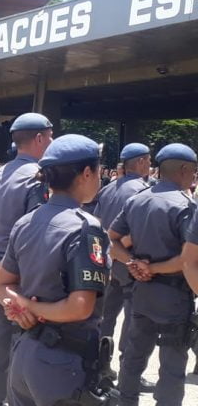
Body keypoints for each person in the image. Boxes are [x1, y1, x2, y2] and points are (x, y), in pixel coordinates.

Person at [0, 134, 112, 405]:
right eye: (98, 170)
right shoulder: (86, 227)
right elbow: (80, 306)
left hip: (25, 353)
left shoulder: (26, 222)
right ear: (86, 173)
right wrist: (29, 308)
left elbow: (1, 284)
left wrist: (21, 308)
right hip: (65, 360)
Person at [0, 111, 52, 406]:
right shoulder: (38, 176)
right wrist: (3, 271)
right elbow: (32, 235)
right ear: (41, 138)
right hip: (19, 280)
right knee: (25, 348)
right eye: (51, 136)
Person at [108, 143, 197, 406]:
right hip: (173, 295)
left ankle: (126, 401)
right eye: (193, 171)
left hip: (141, 293)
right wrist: (153, 268)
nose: (194, 176)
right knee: (171, 365)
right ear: (183, 169)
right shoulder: (185, 206)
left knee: (134, 358)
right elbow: (186, 260)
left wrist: (133, 262)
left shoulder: (137, 199)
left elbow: (111, 241)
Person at [93, 143, 155, 392]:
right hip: (129, 261)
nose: (149, 165)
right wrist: (121, 249)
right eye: (148, 160)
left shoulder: (108, 189)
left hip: (107, 263)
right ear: (140, 162)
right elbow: (133, 230)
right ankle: (130, 371)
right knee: (133, 320)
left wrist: (108, 251)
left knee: (105, 318)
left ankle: (100, 366)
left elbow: (96, 223)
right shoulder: (142, 190)